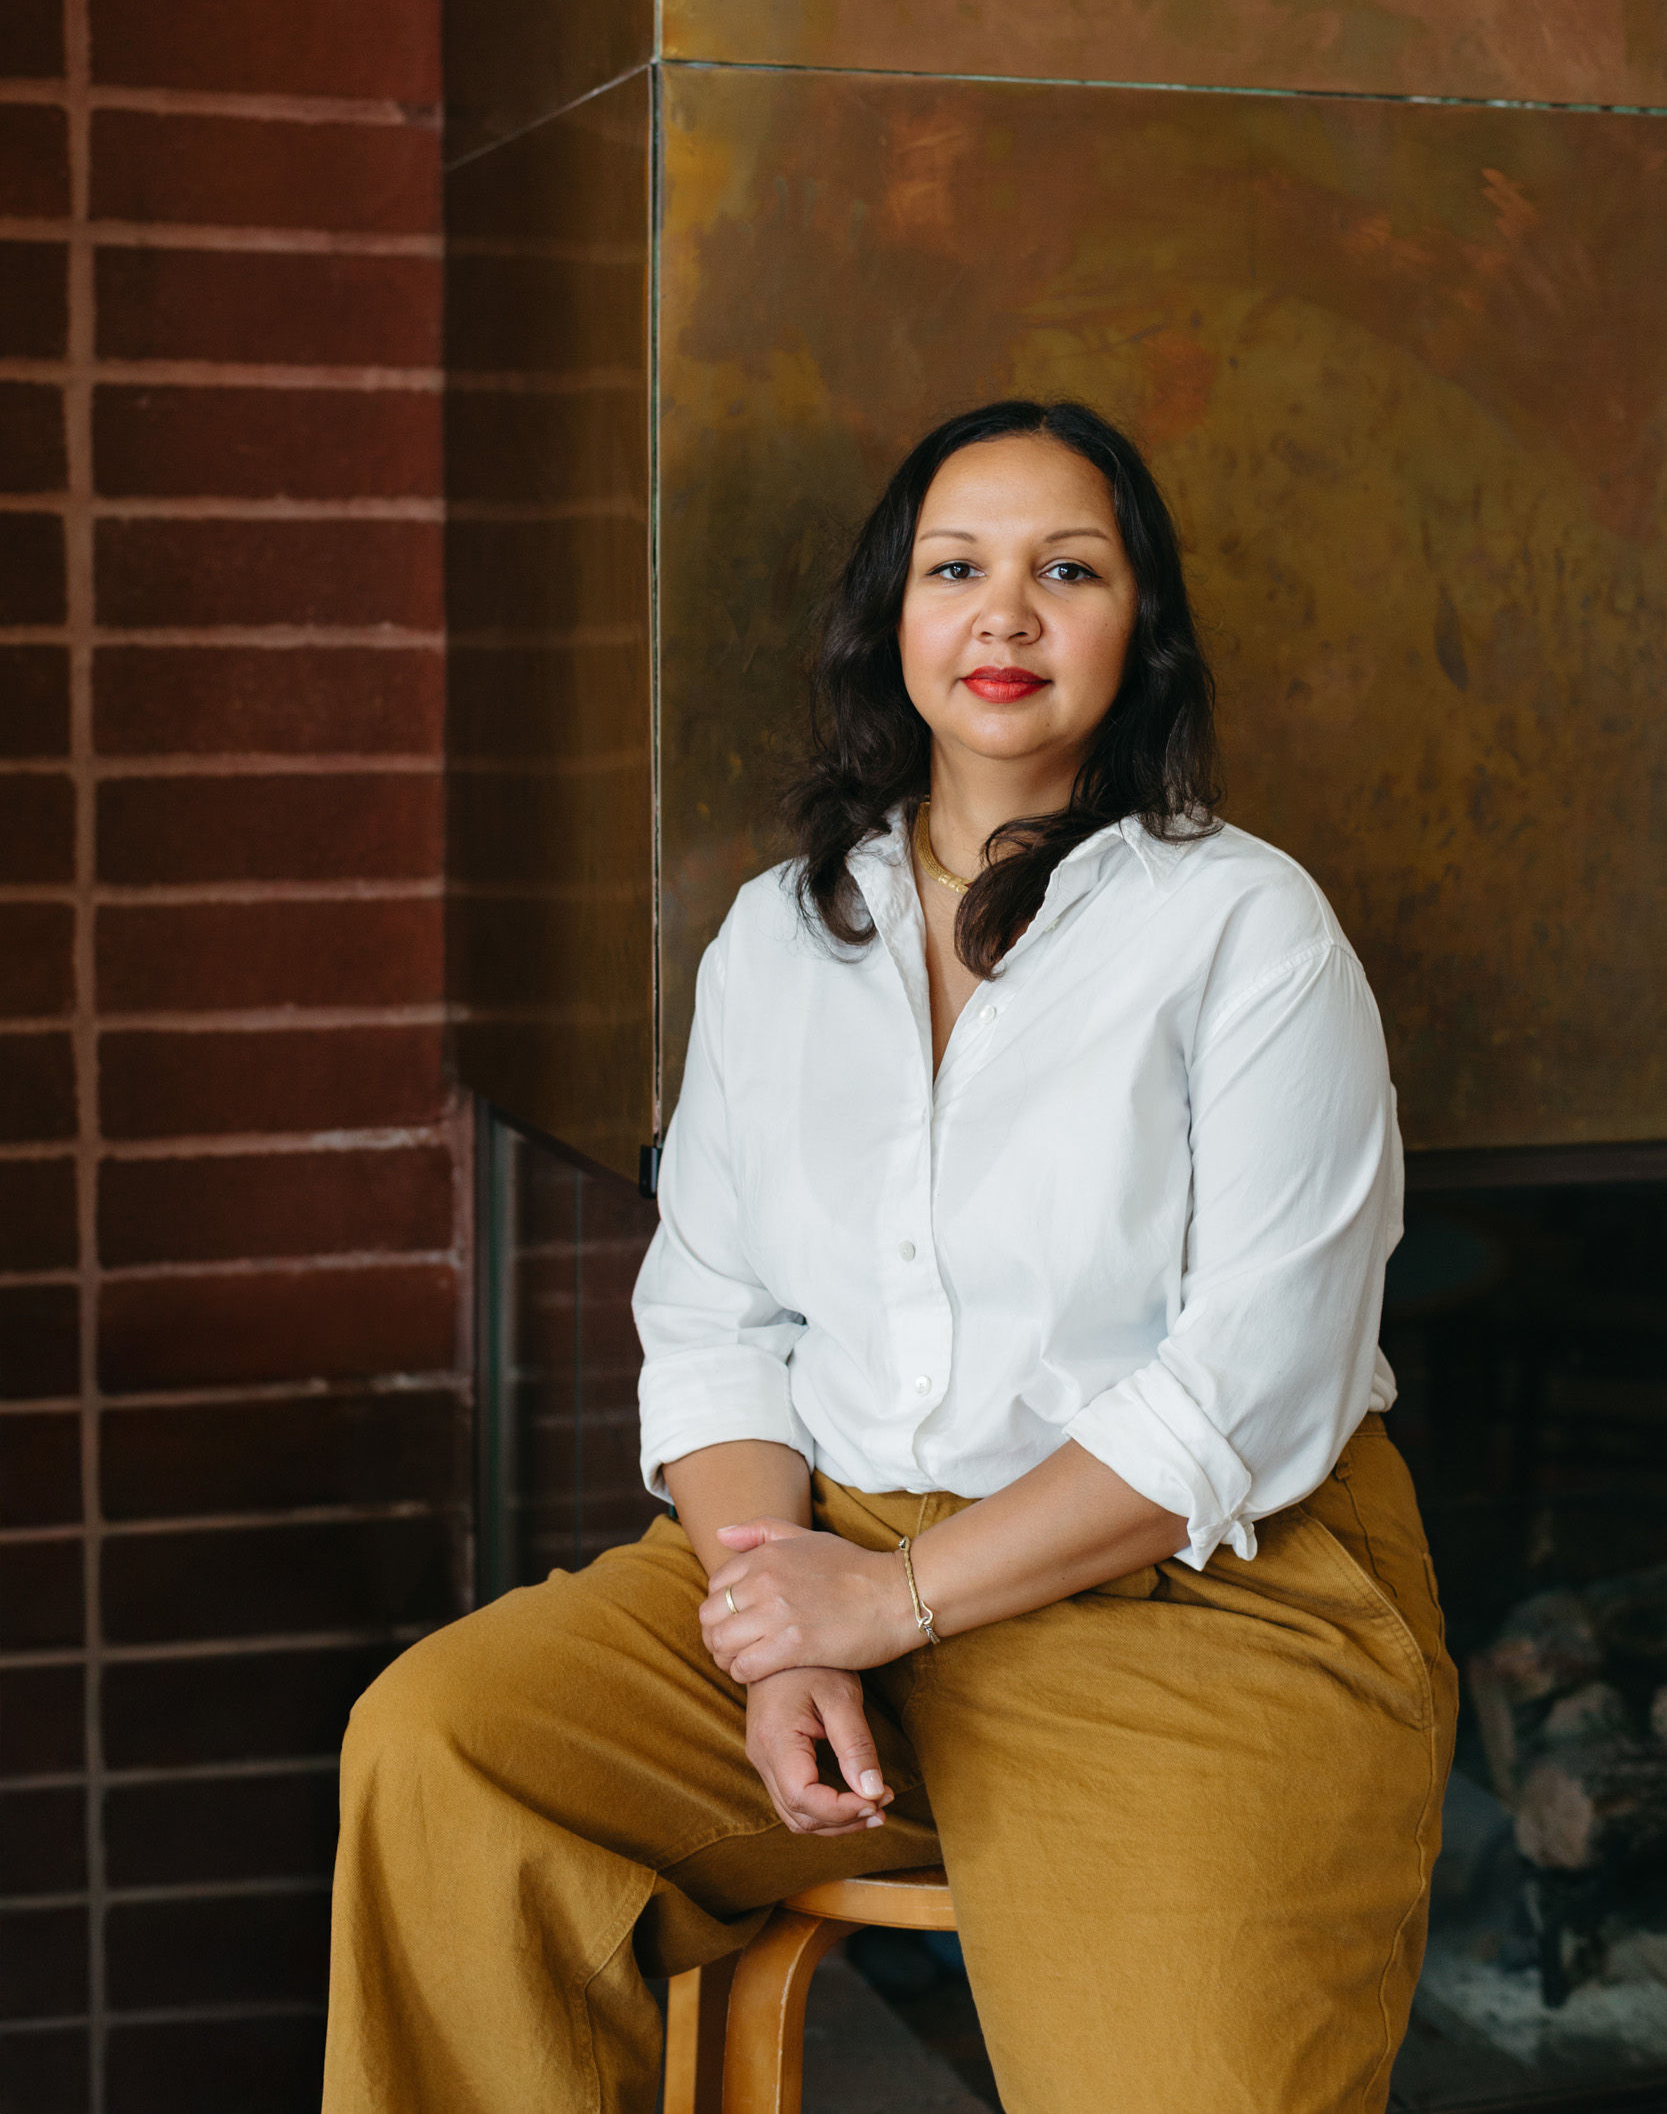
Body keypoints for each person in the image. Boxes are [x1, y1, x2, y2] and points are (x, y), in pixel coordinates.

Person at [323, 399, 1457, 2114]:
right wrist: (784, 1628)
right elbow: (717, 1318)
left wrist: (894, 1602)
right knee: (448, 1748)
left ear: (1141, 632)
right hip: (836, 1538)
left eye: (1067, 570)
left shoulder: (1248, 926)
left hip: (1189, 1596)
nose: (1006, 613)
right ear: (893, 620)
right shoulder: (777, 940)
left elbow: (1252, 1385)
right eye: (956, 568)